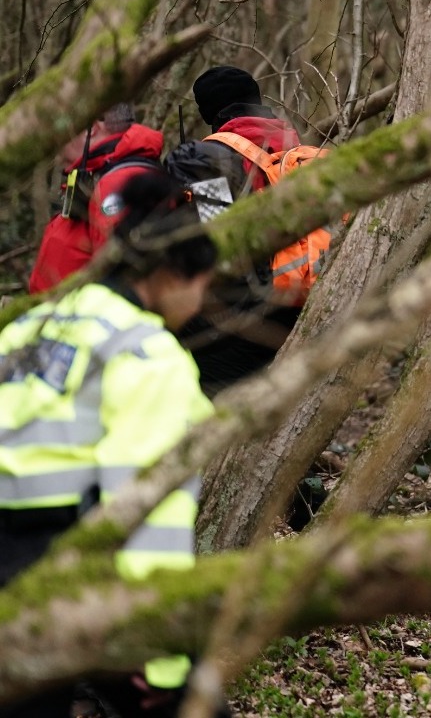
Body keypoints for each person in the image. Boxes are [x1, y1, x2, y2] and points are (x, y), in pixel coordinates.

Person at [0, 172, 217, 718]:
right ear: (174, 276)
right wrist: (160, 655)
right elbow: (148, 510)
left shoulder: (32, 325)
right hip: (50, 568)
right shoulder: (149, 355)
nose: (201, 303)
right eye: (204, 285)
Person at [167, 66, 306, 394]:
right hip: (301, 301)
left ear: (208, 112)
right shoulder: (295, 150)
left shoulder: (207, 158)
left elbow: (217, 243)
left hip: (240, 315)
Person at [28, 103, 164, 293]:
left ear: (91, 128)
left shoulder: (119, 183)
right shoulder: (99, 176)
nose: (55, 145)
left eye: (60, 131)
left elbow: (121, 278)